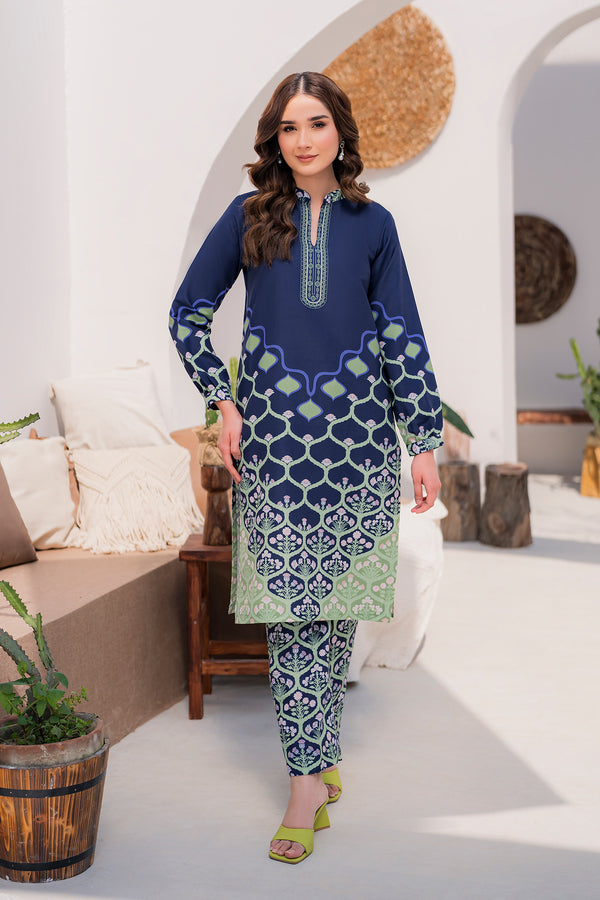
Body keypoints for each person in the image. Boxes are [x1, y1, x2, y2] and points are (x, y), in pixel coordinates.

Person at [169, 71, 443, 864]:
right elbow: (188, 312)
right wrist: (223, 401)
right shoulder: (248, 216)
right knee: (291, 617)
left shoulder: (373, 224)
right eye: (289, 128)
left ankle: (320, 757)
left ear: (341, 132)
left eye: (316, 123)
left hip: (360, 449)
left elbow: (401, 334)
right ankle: (303, 784)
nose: (303, 140)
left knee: (336, 611)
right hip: (276, 452)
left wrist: (423, 441)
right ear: (274, 141)